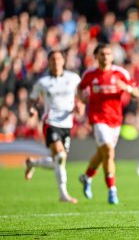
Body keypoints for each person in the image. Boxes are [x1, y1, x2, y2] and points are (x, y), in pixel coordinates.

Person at [78, 43, 139, 204]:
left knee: (102, 154)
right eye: (102, 54)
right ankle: (112, 190)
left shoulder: (120, 73)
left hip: (115, 120)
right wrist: (83, 98)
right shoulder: (90, 74)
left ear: (112, 56)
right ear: (96, 56)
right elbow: (81, 88)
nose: (105, 56)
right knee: (109, 151)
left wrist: (125, 87)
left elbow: (136, 93)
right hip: (98, 118)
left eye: (108, 54)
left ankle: (86, 177)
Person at [25, 50, 81, 204]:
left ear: (63, 61)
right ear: (48, 62)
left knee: (58, 161)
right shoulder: (42, 82)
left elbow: (81, 95)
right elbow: (31, 99)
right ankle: (63, 194)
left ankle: (33, 163)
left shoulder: (73, 78)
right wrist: (31, 109)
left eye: (58, 59)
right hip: (50, 122)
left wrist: (80, 105)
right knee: (60, 157)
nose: (56, 62)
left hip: (67, 124)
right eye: (52, 59)